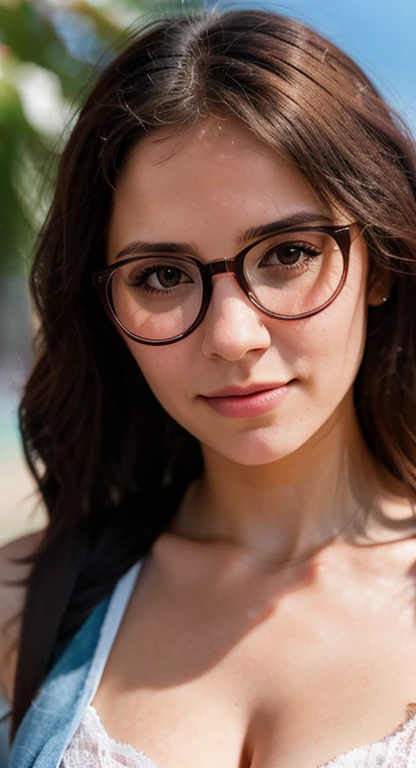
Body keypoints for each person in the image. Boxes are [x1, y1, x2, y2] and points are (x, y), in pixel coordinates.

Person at [1, 6, 416, 767]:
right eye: (161, 276)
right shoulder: (22, 606)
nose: (231, 336)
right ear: (106, 309)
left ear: (381, 261)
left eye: (288, 254)